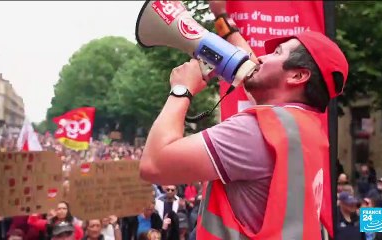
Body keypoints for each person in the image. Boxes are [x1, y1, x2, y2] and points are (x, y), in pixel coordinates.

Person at [139, 0, 348, 239]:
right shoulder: (304, 128)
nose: (261, 58)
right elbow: (249, 67)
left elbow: (153, 164)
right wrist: (223, 21)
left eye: (277, 53)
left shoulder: (257, 130)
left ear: (298, 75)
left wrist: (181, 90)